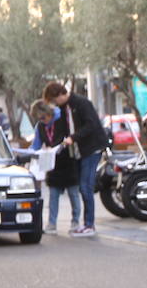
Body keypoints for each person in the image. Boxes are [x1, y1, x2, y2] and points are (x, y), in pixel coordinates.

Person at [43, 81, 107, 238]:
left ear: (60, 94)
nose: (54, 104)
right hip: (80, 151)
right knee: (82, 187)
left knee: (86, 186)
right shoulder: (64, 108)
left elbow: (91, 125)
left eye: (54, 100)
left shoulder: (81, 103)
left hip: (92, 149)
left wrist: (73, 137)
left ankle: (89, 225)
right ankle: (85, 224)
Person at [28, 100, 80, 234]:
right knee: (53, 195)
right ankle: (51, 224)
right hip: (51, 164)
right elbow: (36, 145)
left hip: (68, 161)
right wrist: (31, 152)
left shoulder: (63, 119)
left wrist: (63, 144)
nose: (42, 120)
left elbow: (72, 135)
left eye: (43, 117)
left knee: (73, 194)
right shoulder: (40, 126)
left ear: (49, 113)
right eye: (39, 119)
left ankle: (76, 222)